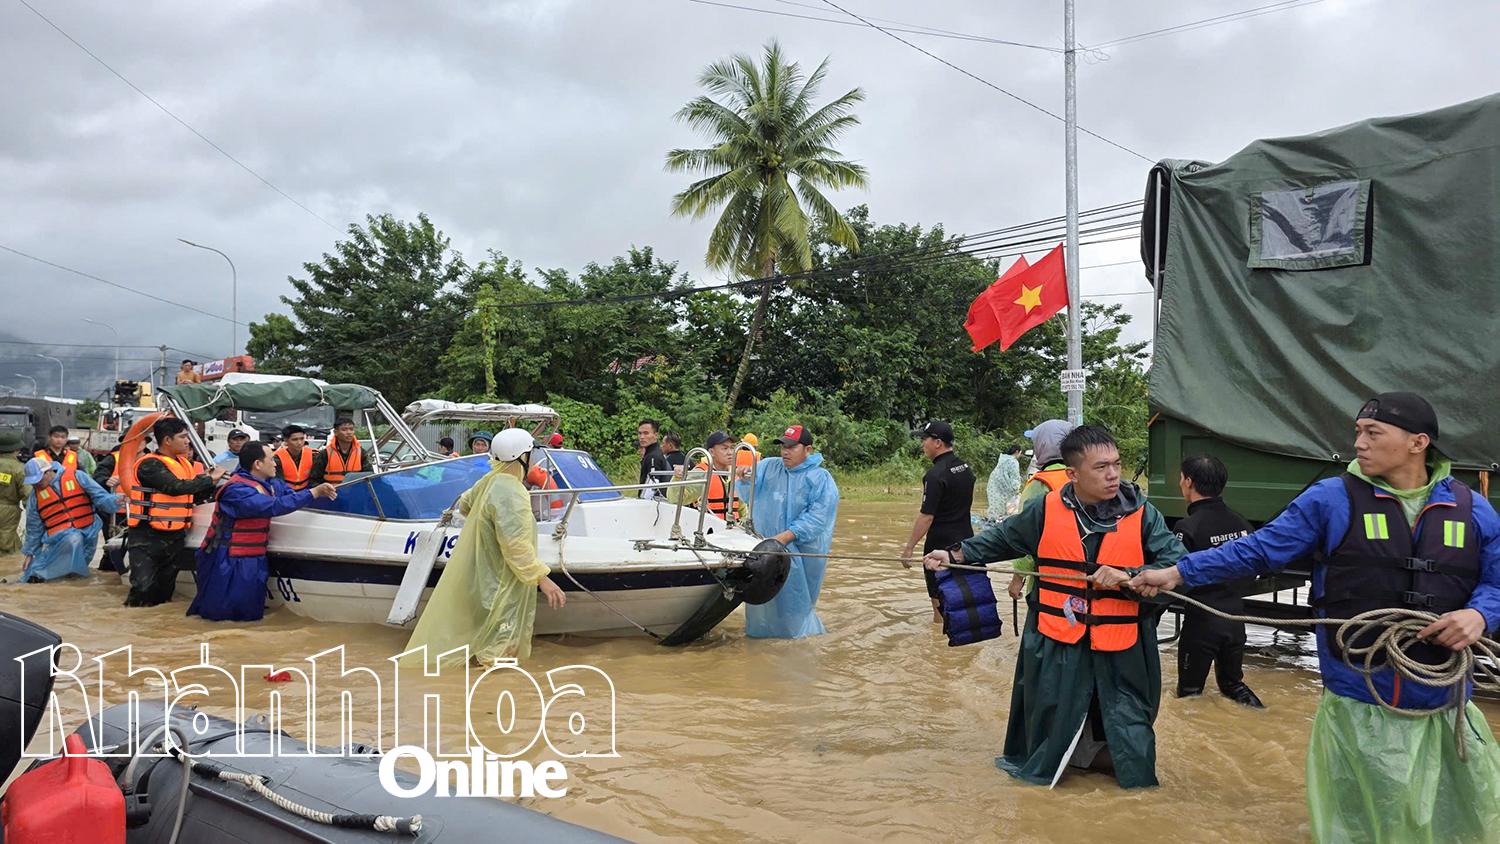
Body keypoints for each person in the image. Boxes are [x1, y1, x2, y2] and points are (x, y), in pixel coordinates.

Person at [1129, 393, 1500, 841]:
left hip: (1444, 702)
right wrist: (1176, 572)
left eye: (1372, 433)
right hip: (1359, 698)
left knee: (1455, 821)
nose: (1358, 443)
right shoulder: (1331, 499)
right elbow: (1259, 550)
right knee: (1361, 821)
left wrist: (1478, 615)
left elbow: (1496, 580)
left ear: (1418, 443)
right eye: (1358, 431)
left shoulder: (1471, 508)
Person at [927, 424, 1185, 789]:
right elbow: (1004, 538)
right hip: (1057, 641)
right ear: (1073, 474)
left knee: (1132, 734)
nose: (1113, 474)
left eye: (1117, 463)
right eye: (1101, 467)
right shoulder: (1045, 509)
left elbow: (1178, 564)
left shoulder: (1144, 515)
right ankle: (1066, 767)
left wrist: (1132, 574)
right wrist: (954, 553)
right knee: (1050, 725)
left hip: (1123, 644)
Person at [400, 428, 568, 665]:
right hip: (503, 581)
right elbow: (516, 546)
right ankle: (493, 695)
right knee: (501, 651)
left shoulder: (490, 480)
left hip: (484, 576)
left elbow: (466, 505)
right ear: (522, 457)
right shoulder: (513, 493)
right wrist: (543, 579)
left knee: (484, 641)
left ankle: (475, 692)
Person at [189, 443, 337, 621]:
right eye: (272, 459)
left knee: (249, 615)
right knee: (221, 615)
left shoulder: (272, 484)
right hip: (227, 560)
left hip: (253, 559)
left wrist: (321, 494)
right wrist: (313, 492)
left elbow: (291, 497)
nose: (275, 464)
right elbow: (273, 506)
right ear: (258, 464)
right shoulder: (236, 490)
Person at [1172, 455, 1262, 707]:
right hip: (1235, 620)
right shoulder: (1241, 522)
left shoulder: (1187, 527)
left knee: (1189, 695)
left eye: (1181, 478)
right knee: (1233, 686)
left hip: (1202, 622)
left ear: (1189, 482)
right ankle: (1263, 718)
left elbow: (1172, 576)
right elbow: (1254, 568)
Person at [740, 425, 840, 638]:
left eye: (792, 447)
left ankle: (799, 640)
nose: (785, 451)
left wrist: (785, 537)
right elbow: (748, 490)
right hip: (766, 549)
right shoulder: (768, 466)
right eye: (783, 446)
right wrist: (744, 477)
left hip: (800, 553)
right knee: (762, 602)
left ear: (808, 449)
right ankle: (760, 640)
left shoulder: (820, 479)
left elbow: (818, 518)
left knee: (795, 604)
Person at [125, 417, 224, 606]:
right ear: (167, 440)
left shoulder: (184, 464)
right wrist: (209, 480)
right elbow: (174, 487)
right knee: (143, 589)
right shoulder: (150, 464)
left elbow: (191, 495)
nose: (187, 441)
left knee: (165, 591)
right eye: (183, 437)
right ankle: (134, 622)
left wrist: (215, 485)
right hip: (147, 536)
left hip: (175, 536)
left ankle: (159, 628)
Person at [902, 421, 975, 623]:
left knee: (940, 611)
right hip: (967, 544)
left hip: (939, 548)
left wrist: (909, 548)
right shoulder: (965, 468)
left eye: (924, 439)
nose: (922, 444)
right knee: (963, 604)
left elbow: (927, 516)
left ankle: (940, 650)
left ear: (937, 442)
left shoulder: (935, 475)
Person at [1004, 420, 1077, 601]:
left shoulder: (1040, 485)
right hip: (1083, 575)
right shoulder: (1084, 477)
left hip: (1047, 576)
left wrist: (1018, 578)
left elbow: (1025, 536)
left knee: (1042, 622)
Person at [20, 456, 121, 582]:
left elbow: (100, 498)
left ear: (48, 471)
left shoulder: (78, 476)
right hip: (60, 539)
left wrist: (117, 500)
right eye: (32, 482)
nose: (36, 484)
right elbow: (33, 528)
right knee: (35, 575)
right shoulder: (35, 497)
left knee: (75, 578)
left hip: (89, 534)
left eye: (38, 480)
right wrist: (30, 553)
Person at [669, 431, 743, 519]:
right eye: (725, 448)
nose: (730, 452)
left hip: (733, 529)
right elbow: (675, 499)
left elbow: (742, 508)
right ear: (712, 452)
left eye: (732, 448)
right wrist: (677, 477)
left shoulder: (735, 473)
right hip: (708, 528)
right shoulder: (701, 473)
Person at [310, 417, 363, 486]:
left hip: (355, 492)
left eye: (351, 429)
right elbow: (313, 480)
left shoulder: (361, 453)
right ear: (335, 432)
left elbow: (370, 475)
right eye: (344, 430)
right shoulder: (325, 454)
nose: (349, 432)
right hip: (330, 494)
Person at [0, 447, 28, 555]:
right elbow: (27, 492)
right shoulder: (18, 468)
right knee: (6, 541)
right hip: (8, 512)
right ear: (16, 450)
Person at [986, 444, 1024, 522]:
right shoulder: (1013, 462)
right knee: (1006, 508)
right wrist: (1016, 490)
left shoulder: (1002, 459)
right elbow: (1015, 478)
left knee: (995, 505)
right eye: (1020, 453)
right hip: (1003, 487)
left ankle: (992, 521)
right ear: (1017, 452)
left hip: (993, 484)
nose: (1020, 455)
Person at [636, 419, 670, 499]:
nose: (642, 437)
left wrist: (643, 501)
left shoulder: (653, 456)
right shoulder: (654, 453)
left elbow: (652, 485)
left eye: (646, 433)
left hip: (653, 504)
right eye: (640, 433)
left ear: (656, 435)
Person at [274, 425, 314, 490]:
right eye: (295, 439)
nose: (299, 443)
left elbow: (315, 478)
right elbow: (278, 483)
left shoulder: (313, 455)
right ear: (286, 441)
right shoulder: (277, 458)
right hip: (287, 493)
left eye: (302, 438)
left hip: (307, 491)